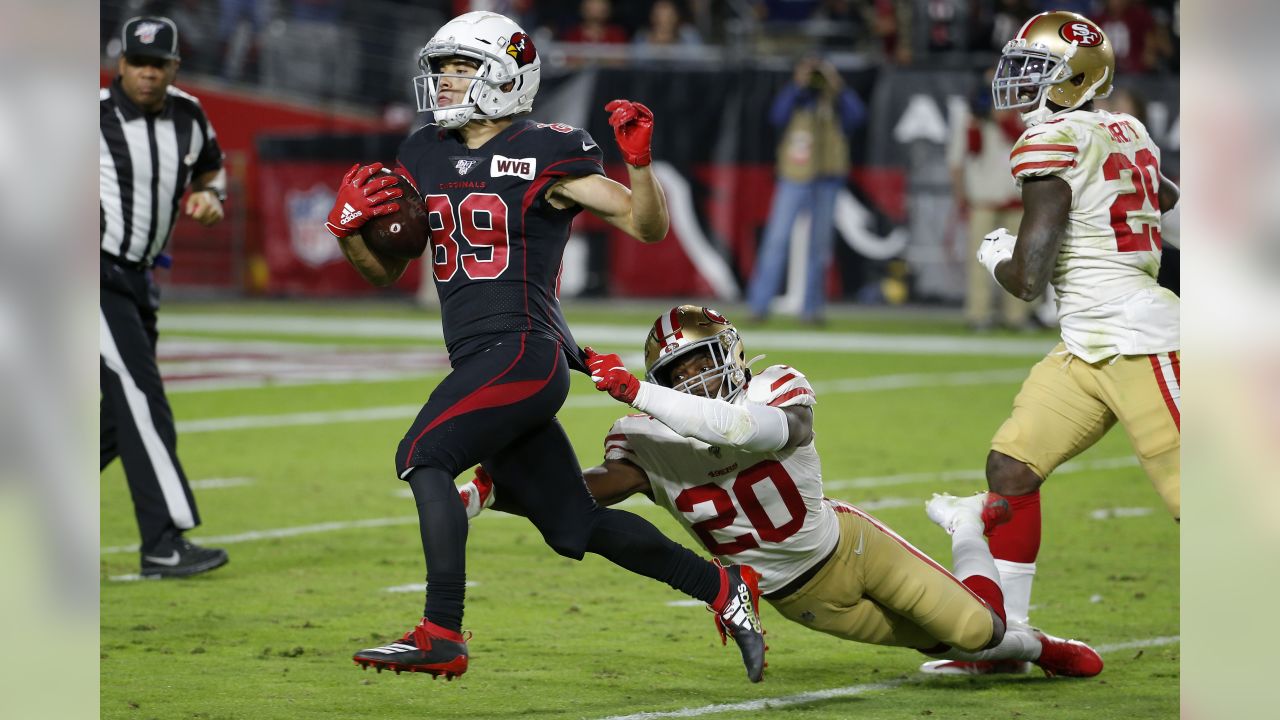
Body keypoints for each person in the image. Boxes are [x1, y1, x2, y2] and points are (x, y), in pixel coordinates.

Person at [323, 11, 764, 682]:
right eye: (440, 70)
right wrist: (348, 230)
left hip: (521, 353)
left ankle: (441, 630)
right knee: (571, 526)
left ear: (504, 75)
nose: (444, 83)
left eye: (461, 69)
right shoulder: (423, 150)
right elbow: (384, 270)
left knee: (423, 456)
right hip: (487, 359)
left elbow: (645, 226)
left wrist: (639, 165)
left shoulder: (545, 150)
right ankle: (723, 588)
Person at [459, 305, 1104, 677]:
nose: (699, 379)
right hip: (800, 600)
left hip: (849, 546)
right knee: (957, 644)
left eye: (705, 360)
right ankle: (984, 590)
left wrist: (637, 388)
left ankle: (979, 548)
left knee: (982, 629)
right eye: (677, 374)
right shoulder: (645, 438)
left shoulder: (775, 389)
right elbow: (576, 499)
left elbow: (749, 431)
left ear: (733, 353)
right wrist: (494, 491)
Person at [942, 10, 1181, 674]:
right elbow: (1164, 197)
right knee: (1012, 468)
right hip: (1086, 344)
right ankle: (1010, 639)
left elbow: (1026, 279)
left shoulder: (1050, 141)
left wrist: (994, 255)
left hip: (1139, 341)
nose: (1015, 77)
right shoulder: (1126, 127)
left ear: (1073, 77)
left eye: (1032, 67)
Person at [100, 16, 230, 580]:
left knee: (111, 420)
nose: (147, 75)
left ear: (173, 67)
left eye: (158, 65)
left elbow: (211, 171)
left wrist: (209, 199)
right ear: (120, 65)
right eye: (138, 63)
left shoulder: (190, 114)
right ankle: (163, 541)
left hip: (138, 280)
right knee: (142, 397)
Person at [746, 56, 865, 325]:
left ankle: (812, 309)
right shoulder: (798, 98)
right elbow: (776, 115)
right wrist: (797, 85)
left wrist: (837, 85)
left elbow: (858, 117)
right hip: (795, 175)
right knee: (776, 241)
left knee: (820, 247)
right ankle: (758, 305)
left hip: (828, 176)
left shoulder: (833, 100)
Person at [947, 69, 1034, 332]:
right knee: (980, 261)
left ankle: (1016, 316)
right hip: (983, 199)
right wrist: (961, 195)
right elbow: (958, 160)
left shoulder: (1026, 117)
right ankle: (978, 313)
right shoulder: (971, 118)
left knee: (1021, 260)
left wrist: (1005, 121)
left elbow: (1028, 148)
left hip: (1017, 200)